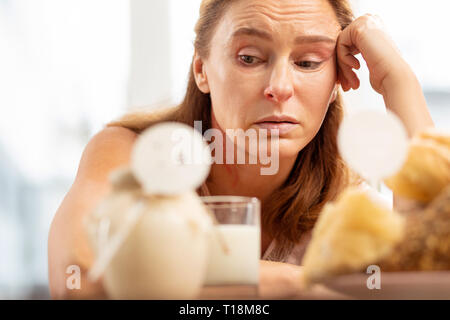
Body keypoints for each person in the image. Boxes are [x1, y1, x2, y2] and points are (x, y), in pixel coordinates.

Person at [48, 0, 434, 299]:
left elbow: (431, 274)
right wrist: (295, 283)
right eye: (249, 58)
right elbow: (78, 277)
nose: (280, 87)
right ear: (202, 70)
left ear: (336, 82)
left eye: (308, 62)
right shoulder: (134, 158)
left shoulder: (345, 206)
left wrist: (398, 80)